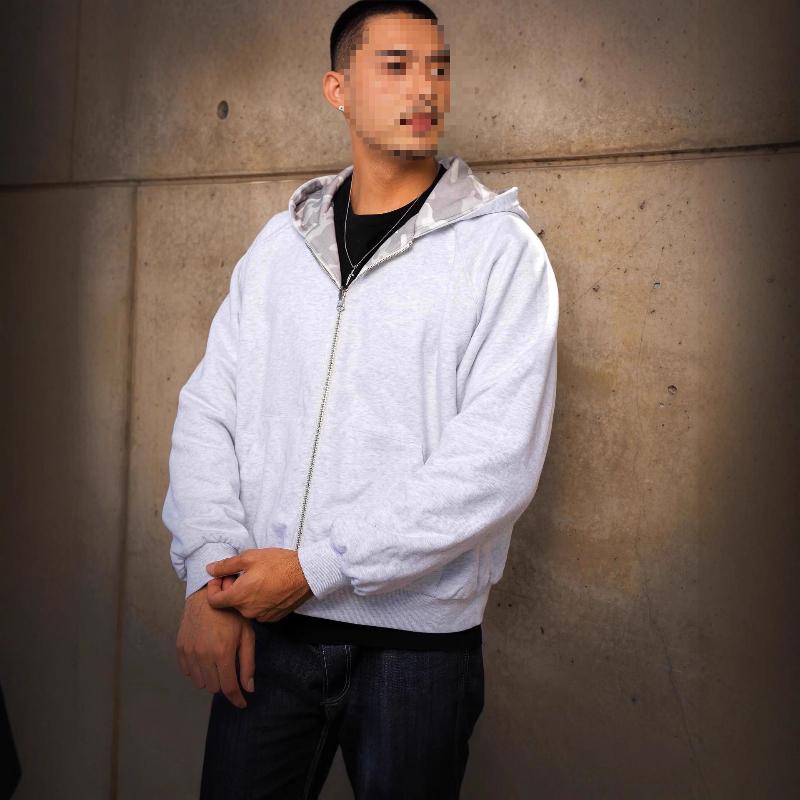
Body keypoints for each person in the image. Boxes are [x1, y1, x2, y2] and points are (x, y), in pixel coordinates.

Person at [161, 1, 559, 797]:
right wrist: (208, 577)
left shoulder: (501, 253)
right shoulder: (278, 249)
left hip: (416, 652)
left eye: (438, 67)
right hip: (264, 631)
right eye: (396, 65)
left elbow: (495, 463)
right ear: (337, 89)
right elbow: (209, 413)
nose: (425, 87)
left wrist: (315, 568)